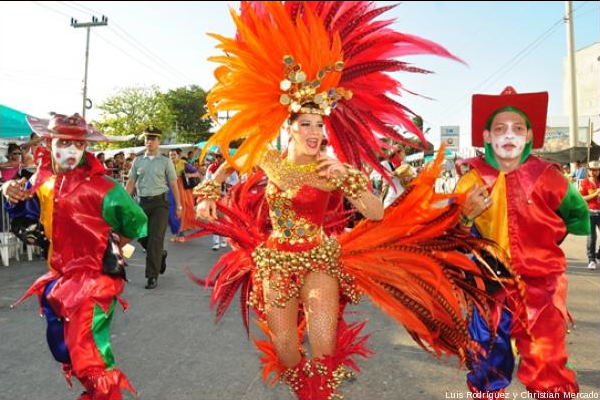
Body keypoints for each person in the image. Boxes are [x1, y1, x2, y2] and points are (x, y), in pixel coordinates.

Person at [191, 3, 508, 399]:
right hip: (274, 262)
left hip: (320, 260)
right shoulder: (267, 159)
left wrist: (348, 178)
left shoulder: (332, 169)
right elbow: (226, 165)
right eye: (306, 124)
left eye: (319, 125)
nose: (314, 131)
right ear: (289, 127)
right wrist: (207, 195)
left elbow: (375, 212)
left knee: (323, 347)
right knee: (286, 350)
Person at [455, 86, 590, 398]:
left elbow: (578, 216)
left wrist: (546, 242)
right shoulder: (471, 180)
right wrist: (465, 217)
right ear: (487, 136)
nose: (508, 135)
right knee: (486, 362)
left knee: (548, 363)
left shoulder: (550, 177)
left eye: (517, 128)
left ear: (529, 135)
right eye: (500, 128)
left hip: (542, 286)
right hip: (489, 286)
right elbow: (449, 234)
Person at [2, 113, 147, 400]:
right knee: (63, 348)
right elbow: (24, 209)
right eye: (64, 142)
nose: (71, 150)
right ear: (49, 143)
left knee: (89, 356)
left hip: (94, 281)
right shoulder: (42, 181)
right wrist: (8, 190)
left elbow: (137, 222)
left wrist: (109, 246)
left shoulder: (105, 188)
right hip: (59, 279)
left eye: (79, 144)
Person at [126, 126, 182, 289]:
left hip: (160, 204)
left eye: (152, 139)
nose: (149, 142)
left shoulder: (165, 161)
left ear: (158, 141)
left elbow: (173, 184)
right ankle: (160, 255)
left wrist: (179, 206)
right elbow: (130, 183)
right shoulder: (138, 161)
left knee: (155, 239)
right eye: (147, 139)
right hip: (142, 203)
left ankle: (152, 276)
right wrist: (124, 202)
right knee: (141, 235)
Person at [579, 160, 600, 270]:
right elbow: (581, 198)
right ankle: (591, 260)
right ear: (588, 171)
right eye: (591, 170)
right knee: (592, 237)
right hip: (590, 212)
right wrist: (596, 193)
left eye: (596, 170)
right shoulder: (585, 183)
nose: (593, 172)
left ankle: (598, 255)